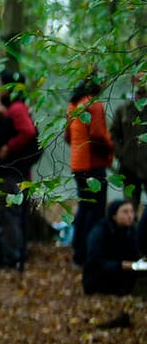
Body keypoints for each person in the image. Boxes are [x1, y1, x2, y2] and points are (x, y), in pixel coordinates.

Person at [0, 73, 41, 270]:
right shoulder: (12, 109)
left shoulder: (17, 108)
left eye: (1, 85)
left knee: (10, 214)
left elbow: (27, 131)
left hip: (13, 173)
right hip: (17, 173)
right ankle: (12, 256)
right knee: (11, 214)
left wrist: (8, 147)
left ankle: (14, 257)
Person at [67, 77, 114, 267]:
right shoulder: (93, 103)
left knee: (84, 210)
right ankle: (90, 255)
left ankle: (78, 254)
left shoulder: (74, 104)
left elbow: (67, 136)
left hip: (78, 165)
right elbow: (97, 134)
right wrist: (112, 145)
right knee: (95, 212)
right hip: (92, 165)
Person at [82, 200, 140, 297]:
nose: (130, 216)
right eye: (125, 212)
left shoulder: (131, 230)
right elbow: (95, 262)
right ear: (114, 215)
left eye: (131, 212)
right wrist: (121, 265)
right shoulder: (100, 232)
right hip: (99, 280)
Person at [110, 74, 147, 207]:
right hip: (129, 167)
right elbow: (113, 134)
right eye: (138, 80)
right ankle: (131, 227)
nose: (141, 83)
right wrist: (121, 154)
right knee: (129, 206)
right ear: (132, 82)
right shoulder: (124, 110)